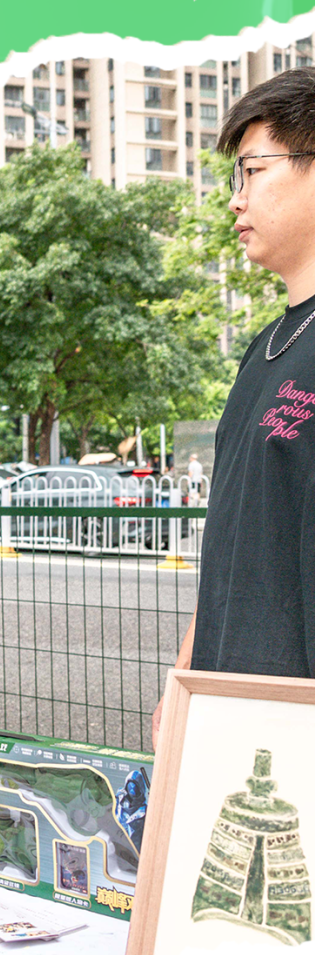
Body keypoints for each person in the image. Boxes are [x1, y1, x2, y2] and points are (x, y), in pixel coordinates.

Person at [153, 69, 315, 744]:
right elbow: (233, 539)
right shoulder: (267, 346)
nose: (235, 200)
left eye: (253, 171)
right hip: (230, 720)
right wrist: (183, 677)